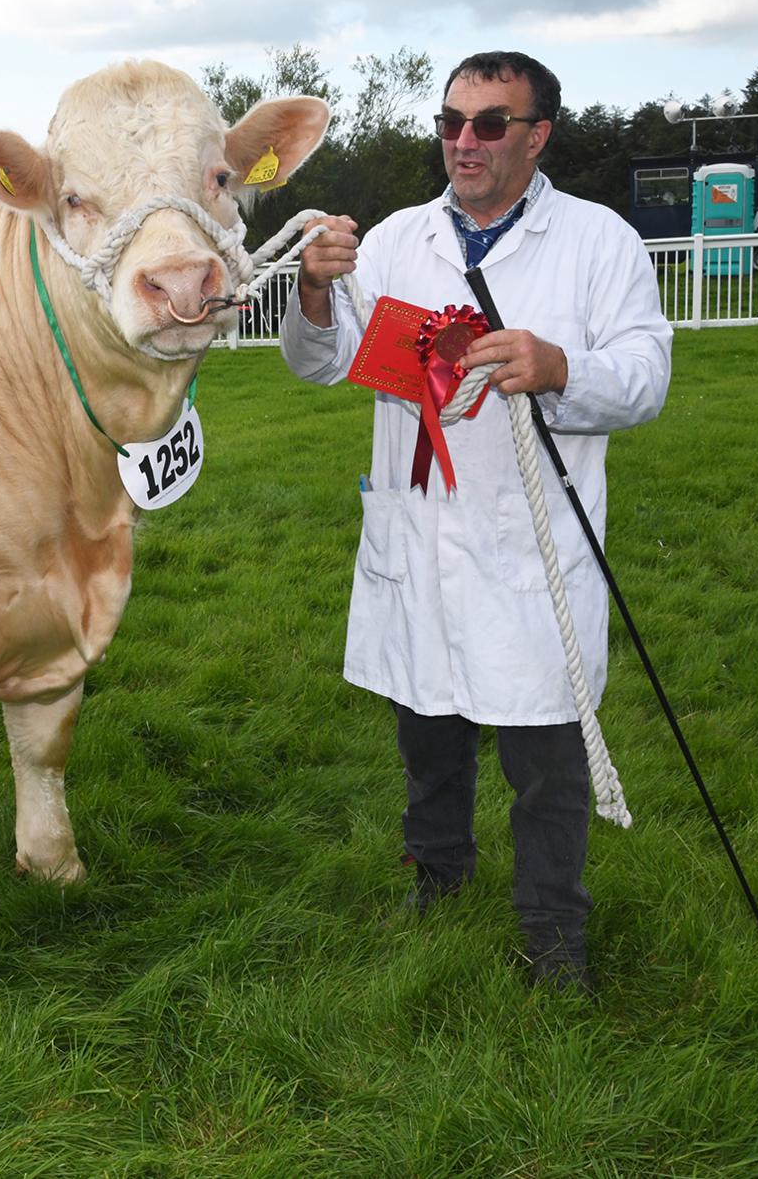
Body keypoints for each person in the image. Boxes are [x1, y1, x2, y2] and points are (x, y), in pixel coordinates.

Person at [282, 51, 673, 993]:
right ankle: (440, 877)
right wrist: (315, 290)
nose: (465, 141)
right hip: (418, 532)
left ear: (536, 137)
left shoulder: (598, 240)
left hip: (531, 550)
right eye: (452, 122)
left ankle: (552, 934)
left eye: (491, 124)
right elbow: (319, 362)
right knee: (428, 729)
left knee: (544, 755)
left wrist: (560, 367)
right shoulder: (393, 240)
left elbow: (647, 376)